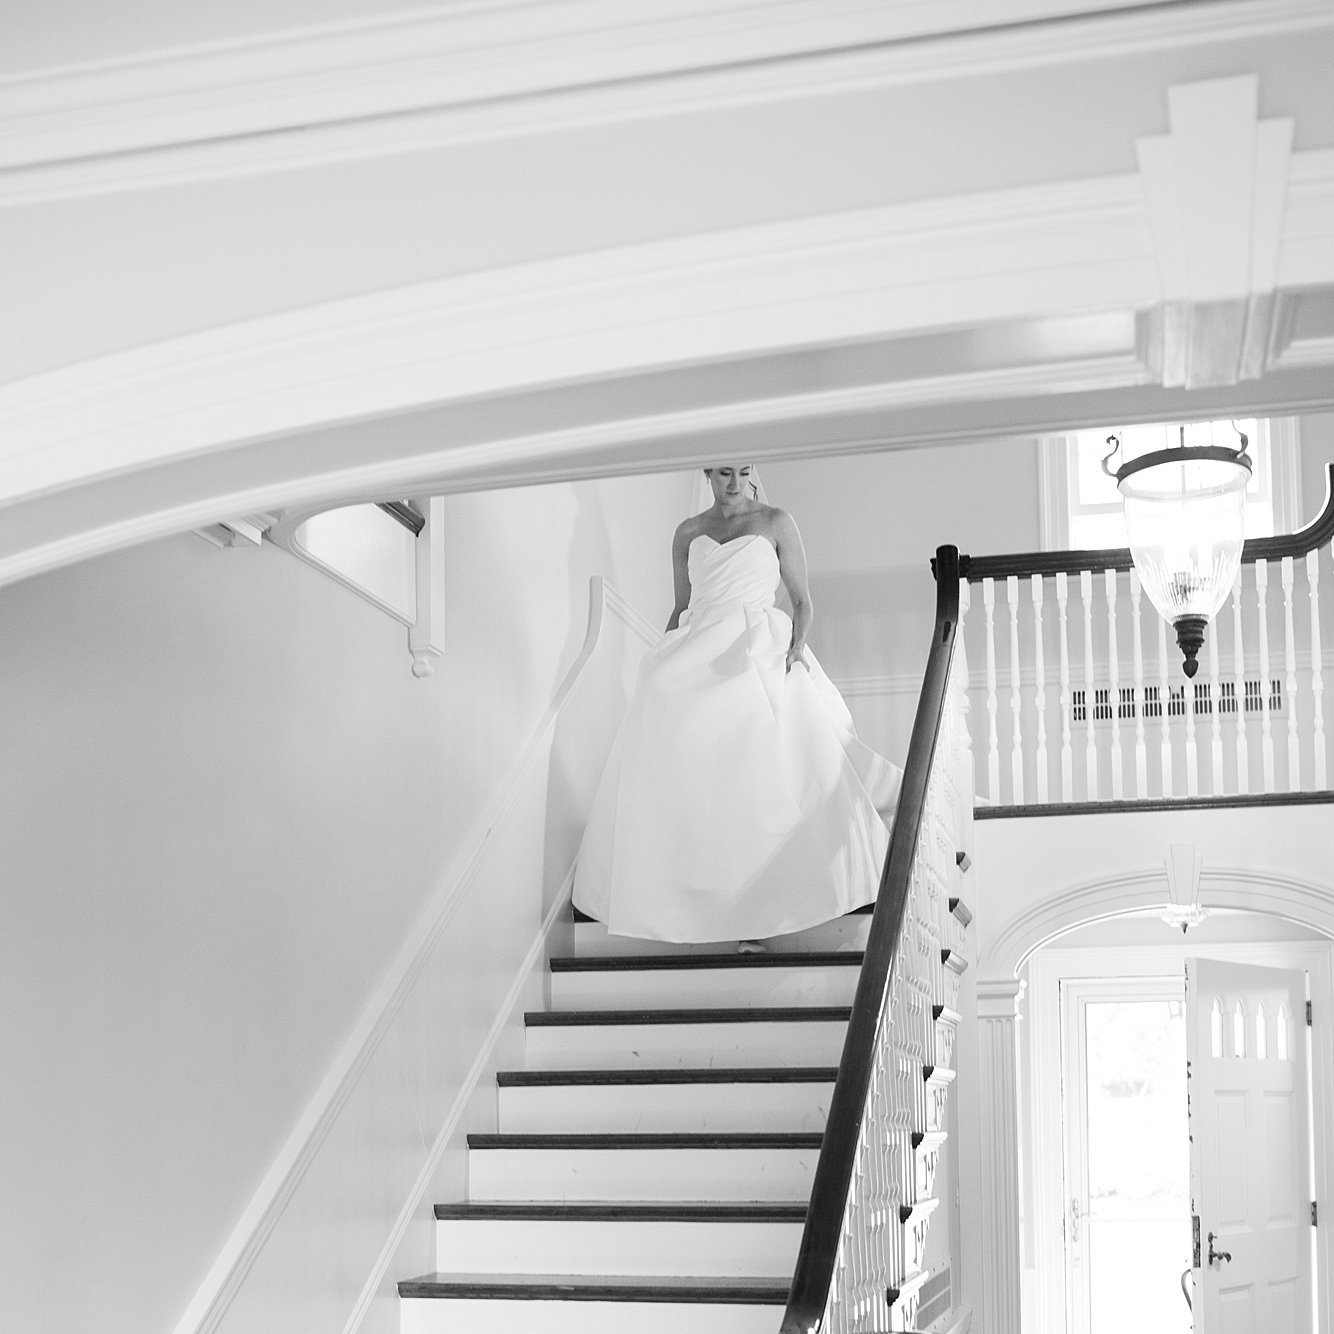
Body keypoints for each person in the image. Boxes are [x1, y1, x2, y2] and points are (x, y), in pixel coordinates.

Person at [573, 463, 902, 946]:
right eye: (724, 472)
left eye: (743, 472)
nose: (734, 483)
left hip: (758, 641)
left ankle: (780, 895)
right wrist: (660, 655)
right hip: (700, 643)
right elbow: (681, 605)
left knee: (767, 757)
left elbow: (802, 600)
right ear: (708, 474)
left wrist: (795, 646)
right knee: (683, 751)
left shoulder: (776, 522)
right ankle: (690, 894)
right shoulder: (687, 533)